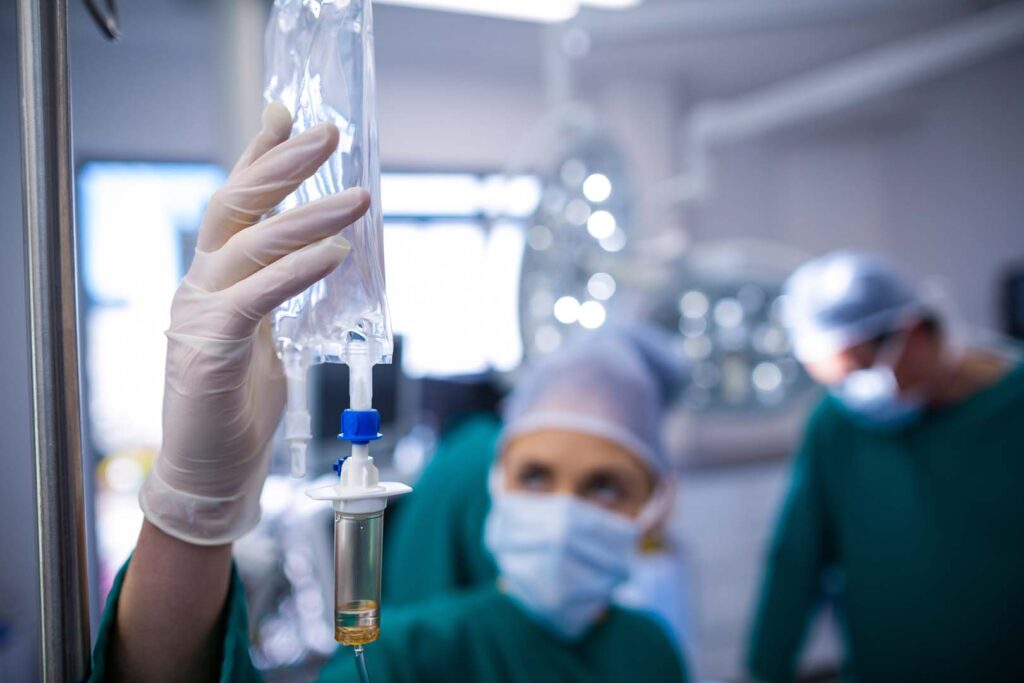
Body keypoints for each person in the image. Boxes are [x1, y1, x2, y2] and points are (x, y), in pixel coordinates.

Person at [87, 105, 688, 682]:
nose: (561, 515)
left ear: (655, 501)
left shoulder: (651, 650)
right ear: (497, 476)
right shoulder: (407, 655)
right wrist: (194, 507)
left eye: (605, 486)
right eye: (535, 475)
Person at [746, 251, 1024, 683]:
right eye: (834, 383)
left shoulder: (1013, 406)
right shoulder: (836, 425)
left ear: (911, 332)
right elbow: (795, 561)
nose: (853, 394)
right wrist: (764, 672)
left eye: (858, 371)